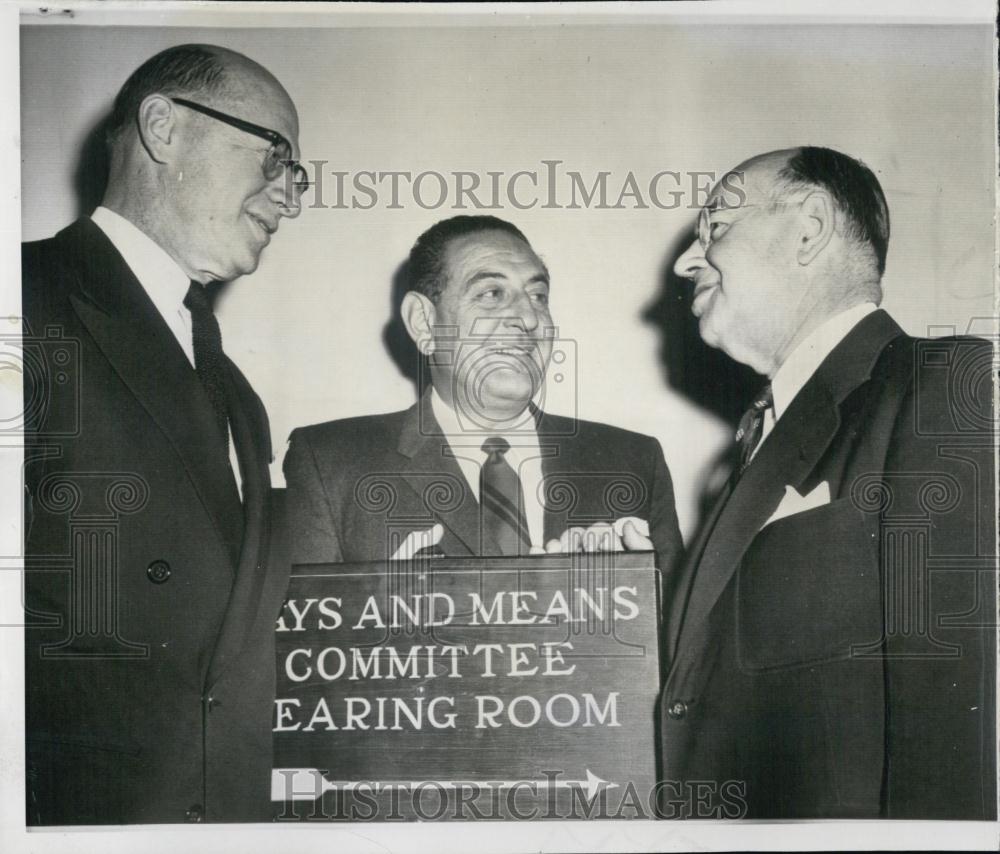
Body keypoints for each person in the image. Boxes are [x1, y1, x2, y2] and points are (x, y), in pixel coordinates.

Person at [661, 146, 996, 819]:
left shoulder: (940, 388)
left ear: (810, 228)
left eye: (717, 225)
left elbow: (952, 728)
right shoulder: (754, 445)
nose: (685, 262)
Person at [22, 44, 306, 824]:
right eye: (275, 158)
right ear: (163, 127)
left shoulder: (235, 393)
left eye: (296, 175)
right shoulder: (21, 298)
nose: (289, 199)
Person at [284, 215, 683, 575]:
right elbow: (299, 648)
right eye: (491, 294)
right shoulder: (331, 462)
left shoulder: (632, 461)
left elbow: (681, 648)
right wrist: (383, 611)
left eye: (538, 296)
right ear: (424, 323)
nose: (528, 319)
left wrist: (643, 591)